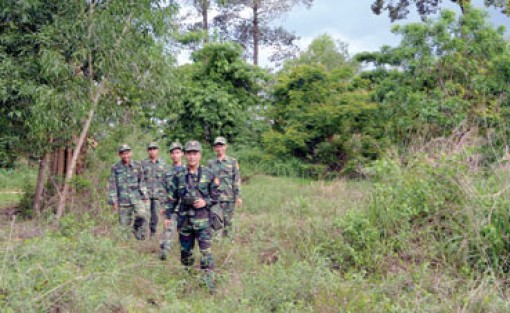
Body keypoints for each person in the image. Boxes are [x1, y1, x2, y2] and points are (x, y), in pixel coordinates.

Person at [164, 140, 219, 291]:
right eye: (189, 153)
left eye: (195, 153)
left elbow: (216, 196)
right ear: (185, 155)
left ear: (200, 155)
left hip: (203, 221)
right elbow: (172, 197)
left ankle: (208, 282)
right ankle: (187, 279)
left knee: (206, 252)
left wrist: (205, 201)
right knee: (185, 253)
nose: (192, 157)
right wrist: (168, 216)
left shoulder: (209, 173)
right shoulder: (179, 175)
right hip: (185, 221)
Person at [108, 144, 149, 240]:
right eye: (123, 154)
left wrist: (144, 195)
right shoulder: (115, 167)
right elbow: (112, 185)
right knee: (123, 226)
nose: (126, 156)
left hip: (136, 198)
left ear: (131, 153)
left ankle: (135, 228)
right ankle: (125, 245)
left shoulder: (137, 165)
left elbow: (141, 181)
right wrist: (114, 201)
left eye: (127, 153)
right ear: (119, 155)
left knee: (142, 214)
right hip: (123, 200)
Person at [207, 136, 242, 239]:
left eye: (221, 146)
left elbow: (236, 180)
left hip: (229, 197)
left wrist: (238, 196)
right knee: (216, 221)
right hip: (215, 198)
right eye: (217, 146)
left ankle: (228, 240)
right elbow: (208, 180)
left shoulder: (232, 162)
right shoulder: (211, 163)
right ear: (214, 148)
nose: (219, 148)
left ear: (225, 147)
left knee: (228, 221)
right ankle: (217, 241)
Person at [160, 141, 184, 260]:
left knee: (185, 230)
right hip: (171, 206)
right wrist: (163, 206)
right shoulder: (167, 171)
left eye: (177, 152)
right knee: (168, 228)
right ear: (170, 155)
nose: (175, 155)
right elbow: (163, 189)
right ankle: (166, 250)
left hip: (185, 206)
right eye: (173, 153)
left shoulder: (187, 170)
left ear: (182, 154)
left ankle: (184, 252)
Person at [141, 142, 167, 238]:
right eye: (150, 149)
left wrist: (164, 196)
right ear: (148, 151)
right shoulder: (143, 163)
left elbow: (165, 180)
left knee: (155, 217)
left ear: (158, 150)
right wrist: (143, 193)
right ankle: (143, 235)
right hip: (146, 195)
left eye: (154, 149)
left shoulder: (163, 164)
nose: (152, 151)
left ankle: (153, 234)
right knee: (145, 216)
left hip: (157, 196)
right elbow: (140, 179)